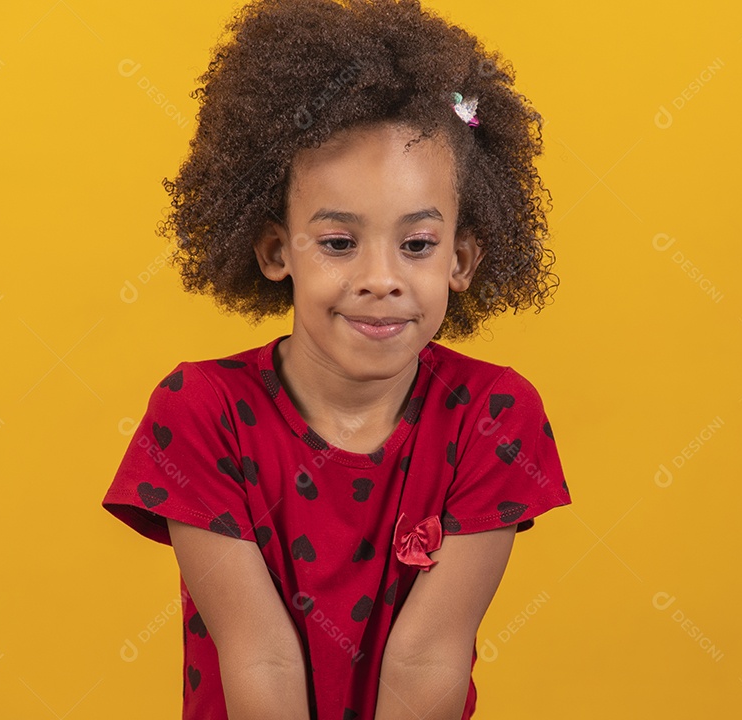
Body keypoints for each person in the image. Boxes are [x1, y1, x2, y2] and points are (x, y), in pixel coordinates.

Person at [101, 0, 571, 717]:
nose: (381, 278)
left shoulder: (493, 416)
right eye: (338, 242)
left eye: (415, 245)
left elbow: (429, 656)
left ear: (462, 259)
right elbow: (260, 655)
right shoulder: (199, 412)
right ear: (275, 251)